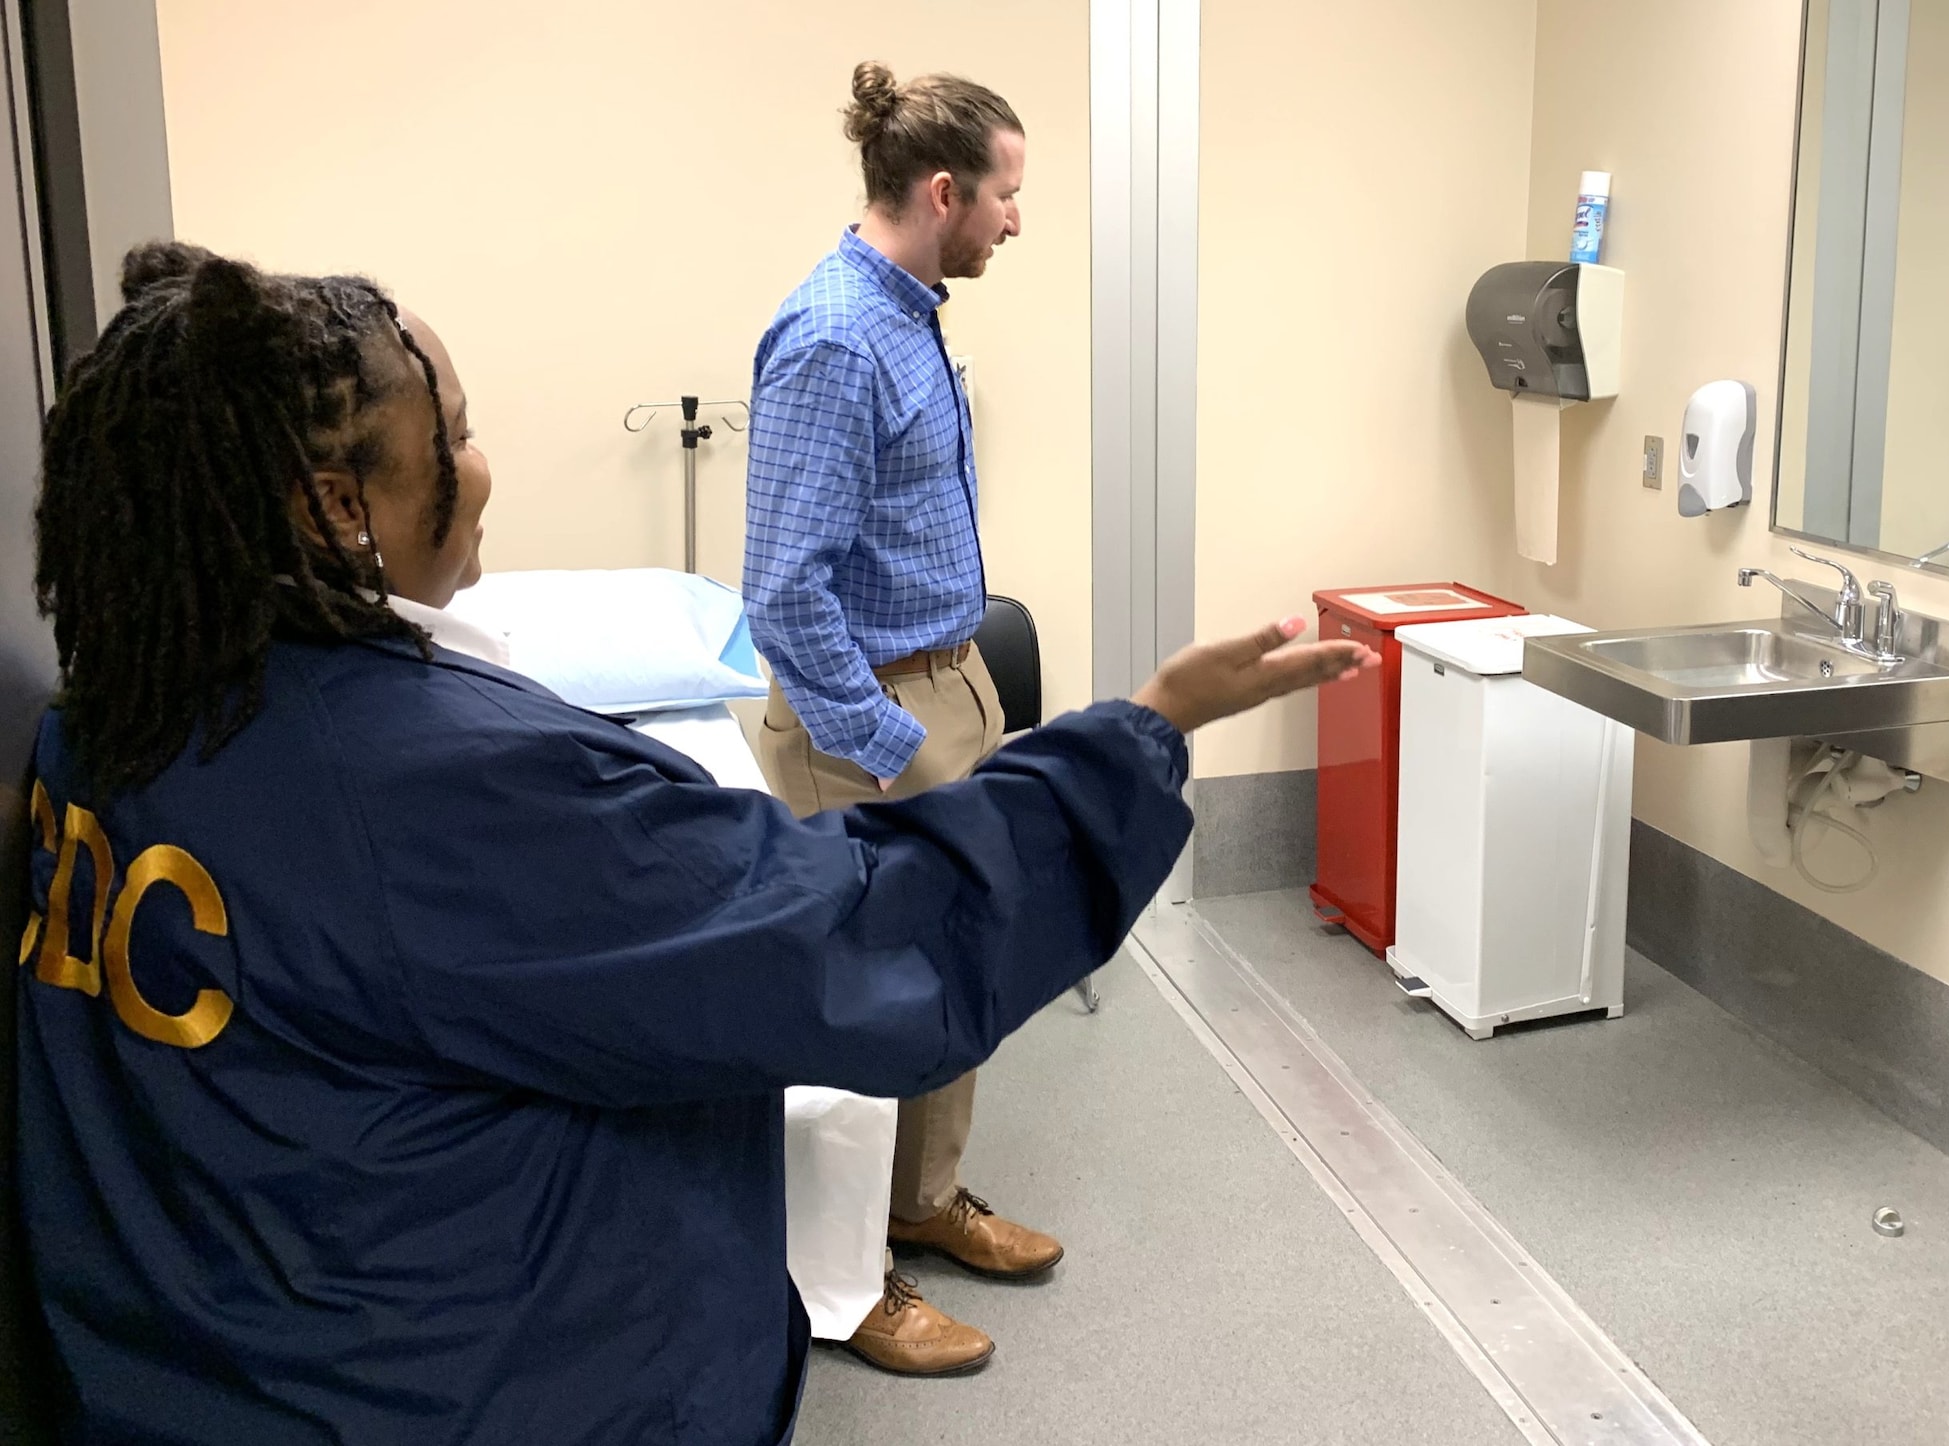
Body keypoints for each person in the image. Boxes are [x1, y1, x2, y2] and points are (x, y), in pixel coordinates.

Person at [18, 242, 1371, 1446]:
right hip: (462, 1386)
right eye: (461, 429)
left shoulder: (102, 729)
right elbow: (870, 938)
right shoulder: (456, 797)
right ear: (331, 506)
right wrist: (1142, 732)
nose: (485, 465)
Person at [740, 60, 1055, 1377]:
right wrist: (895, 746)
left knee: (957, 965)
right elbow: (781, 591)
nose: (1014, 220)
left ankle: (922, 1203)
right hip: (864, 720)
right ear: (942, 191)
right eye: (1005, 194)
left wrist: (965, 702)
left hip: (947, 676)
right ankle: (843, 1283)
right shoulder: (830, 339)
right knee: (864, 1007)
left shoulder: (911, 309)